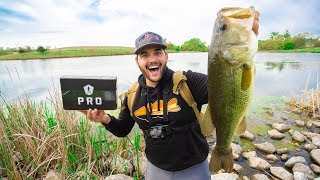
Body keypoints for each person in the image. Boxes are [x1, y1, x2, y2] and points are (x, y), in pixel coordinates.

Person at [80, 11, 260, 180]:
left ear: (166, 56)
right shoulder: (132, 95)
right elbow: (123, 129)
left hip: (194, 169)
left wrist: (242, 47)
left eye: (157, 52)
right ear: (137, 61)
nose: (152, 59)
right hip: (156, 170)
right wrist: (104, 118)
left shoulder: (188, 81)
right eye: (144, 54)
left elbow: (225, 88)